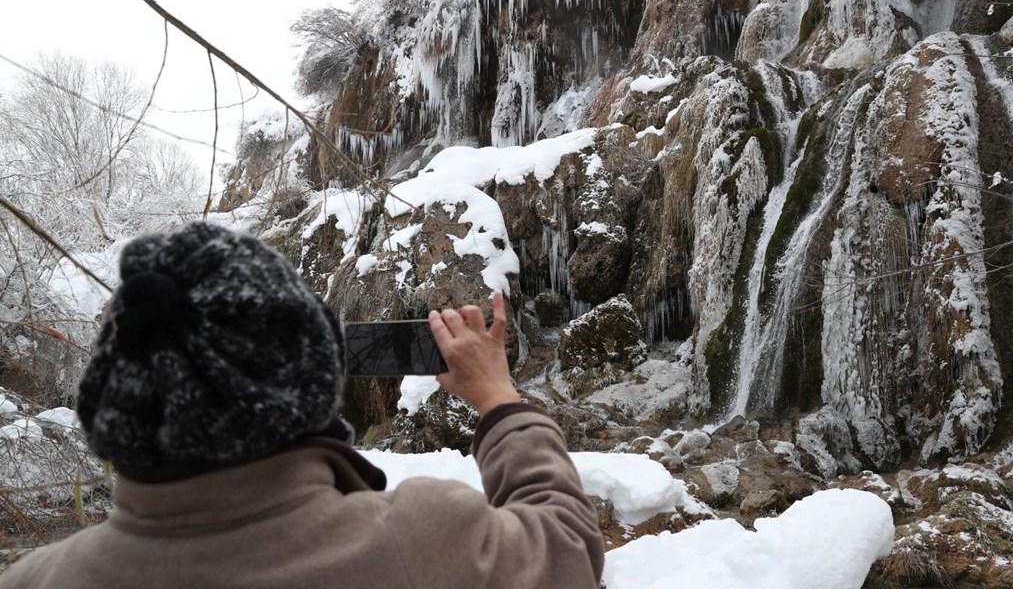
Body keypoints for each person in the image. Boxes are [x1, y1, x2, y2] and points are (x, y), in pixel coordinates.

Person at [0, 222, 604, 589]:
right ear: (310, 378)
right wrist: (498, 397)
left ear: (118, 396)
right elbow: (566, 549)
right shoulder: (420, 541)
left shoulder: (33, 579)